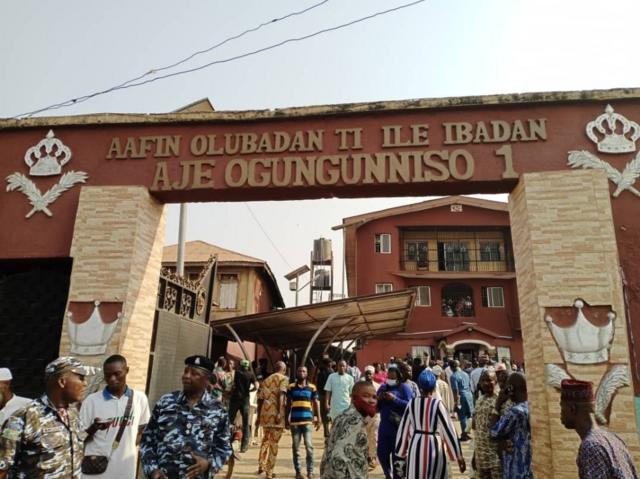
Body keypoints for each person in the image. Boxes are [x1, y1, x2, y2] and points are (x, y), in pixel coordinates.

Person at [140, 355, 232, 479]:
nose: (186, 376)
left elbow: (224, 448)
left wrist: (209, 463)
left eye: (194, 374)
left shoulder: (218, 410)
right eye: (186, 371)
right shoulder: (166, 402)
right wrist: (152, 469)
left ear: (207, 379)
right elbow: (148, 439)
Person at [0, 357, 90, 479]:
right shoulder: (22, 418)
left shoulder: (73, 414)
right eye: (81, 378)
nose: (85, 383)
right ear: (62, 382)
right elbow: (3, 468)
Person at [80, 354, 151, 479]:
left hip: (125, 469)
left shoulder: (139, 399)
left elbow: (142, 430)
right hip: (95, 470)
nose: (112, 379)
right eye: (108, 375)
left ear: (126, 371)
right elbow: (79, 438)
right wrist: (94, 428)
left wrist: (127, 447)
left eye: (117, 374)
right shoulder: (92, 401)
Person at [560, 378, 638, 478]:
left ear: (572, 408)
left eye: (562, 408)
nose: (561, 414)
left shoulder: (590, 446)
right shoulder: (613, 439)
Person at [395, 369, 466, 478]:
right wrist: (458, 454)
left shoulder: (412, 403)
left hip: (416, 444)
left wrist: (400, 453)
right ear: (434, 388)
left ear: (419, 386)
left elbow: (403, 428)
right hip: (434, 445)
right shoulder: (438, 404)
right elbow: (448, 428)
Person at [320, 382, 378, 478]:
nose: (371, 401)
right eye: (366, 396)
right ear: (354, 398)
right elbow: (338, 457)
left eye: (374, 397)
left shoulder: (341, 416)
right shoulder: (355, 421)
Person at [489, 372, 533, 479]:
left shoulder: (515, 412)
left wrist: (497, 405)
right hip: (529, 468)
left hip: (516, 469)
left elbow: (493, 432)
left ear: (510, 389)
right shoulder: (531, 407)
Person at [377, 364, 414, 479]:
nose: (390, 380)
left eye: (393, 378)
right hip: (384, 429)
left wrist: (395, 399)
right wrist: (379, 399)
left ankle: (398, 477)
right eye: (389, 377)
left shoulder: (405, 388)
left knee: (397, 458)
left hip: (399, 430)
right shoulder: (382, 388)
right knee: (382, 454)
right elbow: (376, 408)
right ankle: (388, 474)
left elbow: (410, 405)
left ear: (398, 377)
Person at [286, 366, 320, 479]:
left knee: (309, 447)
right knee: (296, 448)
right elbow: (287, 404)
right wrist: (287, 418)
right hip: (294, 423)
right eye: (300, 371)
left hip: (308, 422)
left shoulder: (312, 387)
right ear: (297, 372)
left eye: (304, 371)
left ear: (307, 374)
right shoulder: (290, 387)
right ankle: (298, 472)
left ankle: (310, 472)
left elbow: (316, 403)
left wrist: (318, 418)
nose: (301, 373)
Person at [256, 361, 289, 479]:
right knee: (274, 443)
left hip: (265, 415)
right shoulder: (284, 379)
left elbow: (259, 399)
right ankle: (269, 472)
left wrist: (259, 415)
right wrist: (280, 412)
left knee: (265, 440)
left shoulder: (265, 380)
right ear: (284, 369)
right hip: (276, 416)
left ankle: (261, 465)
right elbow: (281, 395)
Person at [472, 369, 501, 479]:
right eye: (483, 381)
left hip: (495, 459)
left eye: (489, 380)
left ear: (495, 381)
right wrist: (475, 455)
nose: (485, 384)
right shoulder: (479, 400)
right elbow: (476, 428)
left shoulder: (499, 400)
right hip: (481, 458)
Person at [228, 359, 258, 452]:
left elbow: (230, 385)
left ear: (240, 365)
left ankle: (227, 442)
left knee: (230, 421)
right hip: (245, 400)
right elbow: (257, 386)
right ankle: (244, 446)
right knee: (246, 423)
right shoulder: (251, 375)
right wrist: (250, 391)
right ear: (248, 366)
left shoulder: (235, 373)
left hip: (235, 399)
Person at [361, 365, 381, 470]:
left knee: (374, 436)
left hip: (375, 415)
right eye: (367, 373)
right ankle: (365, 457)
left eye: (370, 373)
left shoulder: (378, 387)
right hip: (364, 415)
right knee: (364, 437)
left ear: (373, 375)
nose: (368, 375)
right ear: (364, 375)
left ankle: (372, 458)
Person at [450, 360, 474, 441]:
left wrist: (456, 402)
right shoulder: (466, 374)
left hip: (461, 396)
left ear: (451, 367)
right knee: (469, 415)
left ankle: (464, 434)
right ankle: (467, 432)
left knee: (462, 416)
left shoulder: (453, 376)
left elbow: (455, 391)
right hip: (469, 395)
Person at [315, 357, 333, 439]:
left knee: (324, 412)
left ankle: (326, 430)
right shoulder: (331, 372)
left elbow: (317, 383)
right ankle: (330, 430)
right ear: (329, 364)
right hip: (330, 395)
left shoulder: (319, 372)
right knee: (330, 412)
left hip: (322, 395)